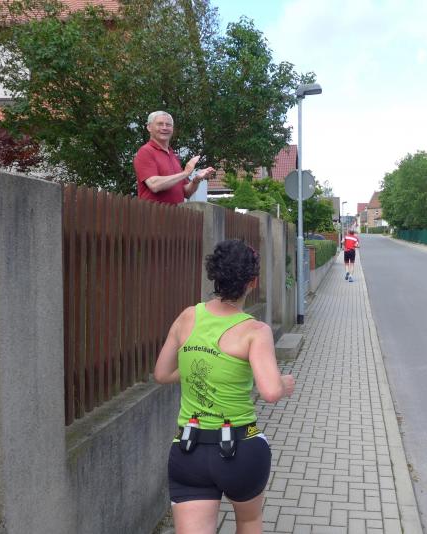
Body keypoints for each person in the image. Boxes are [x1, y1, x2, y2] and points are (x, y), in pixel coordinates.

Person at [153, 239, 295, 534]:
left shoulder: (188, 316)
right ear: (252, 282)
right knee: (249, 521)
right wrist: (284, 384)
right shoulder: (255, 331)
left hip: (189, 450)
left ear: (214, 276)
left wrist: (199, 373)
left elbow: (162, 373)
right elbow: (270, 391)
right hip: (240, 448)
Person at [133, 110, 216, 205]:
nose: (164, 128)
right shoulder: (145, 151)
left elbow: (186, 192)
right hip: (153, 213)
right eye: (160, 124)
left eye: (168, 125)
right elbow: (154, 185)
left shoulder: (173, 155)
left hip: (176, 213)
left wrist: (196, 180)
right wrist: (185, 173)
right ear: (149, 127)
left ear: (172, 129)